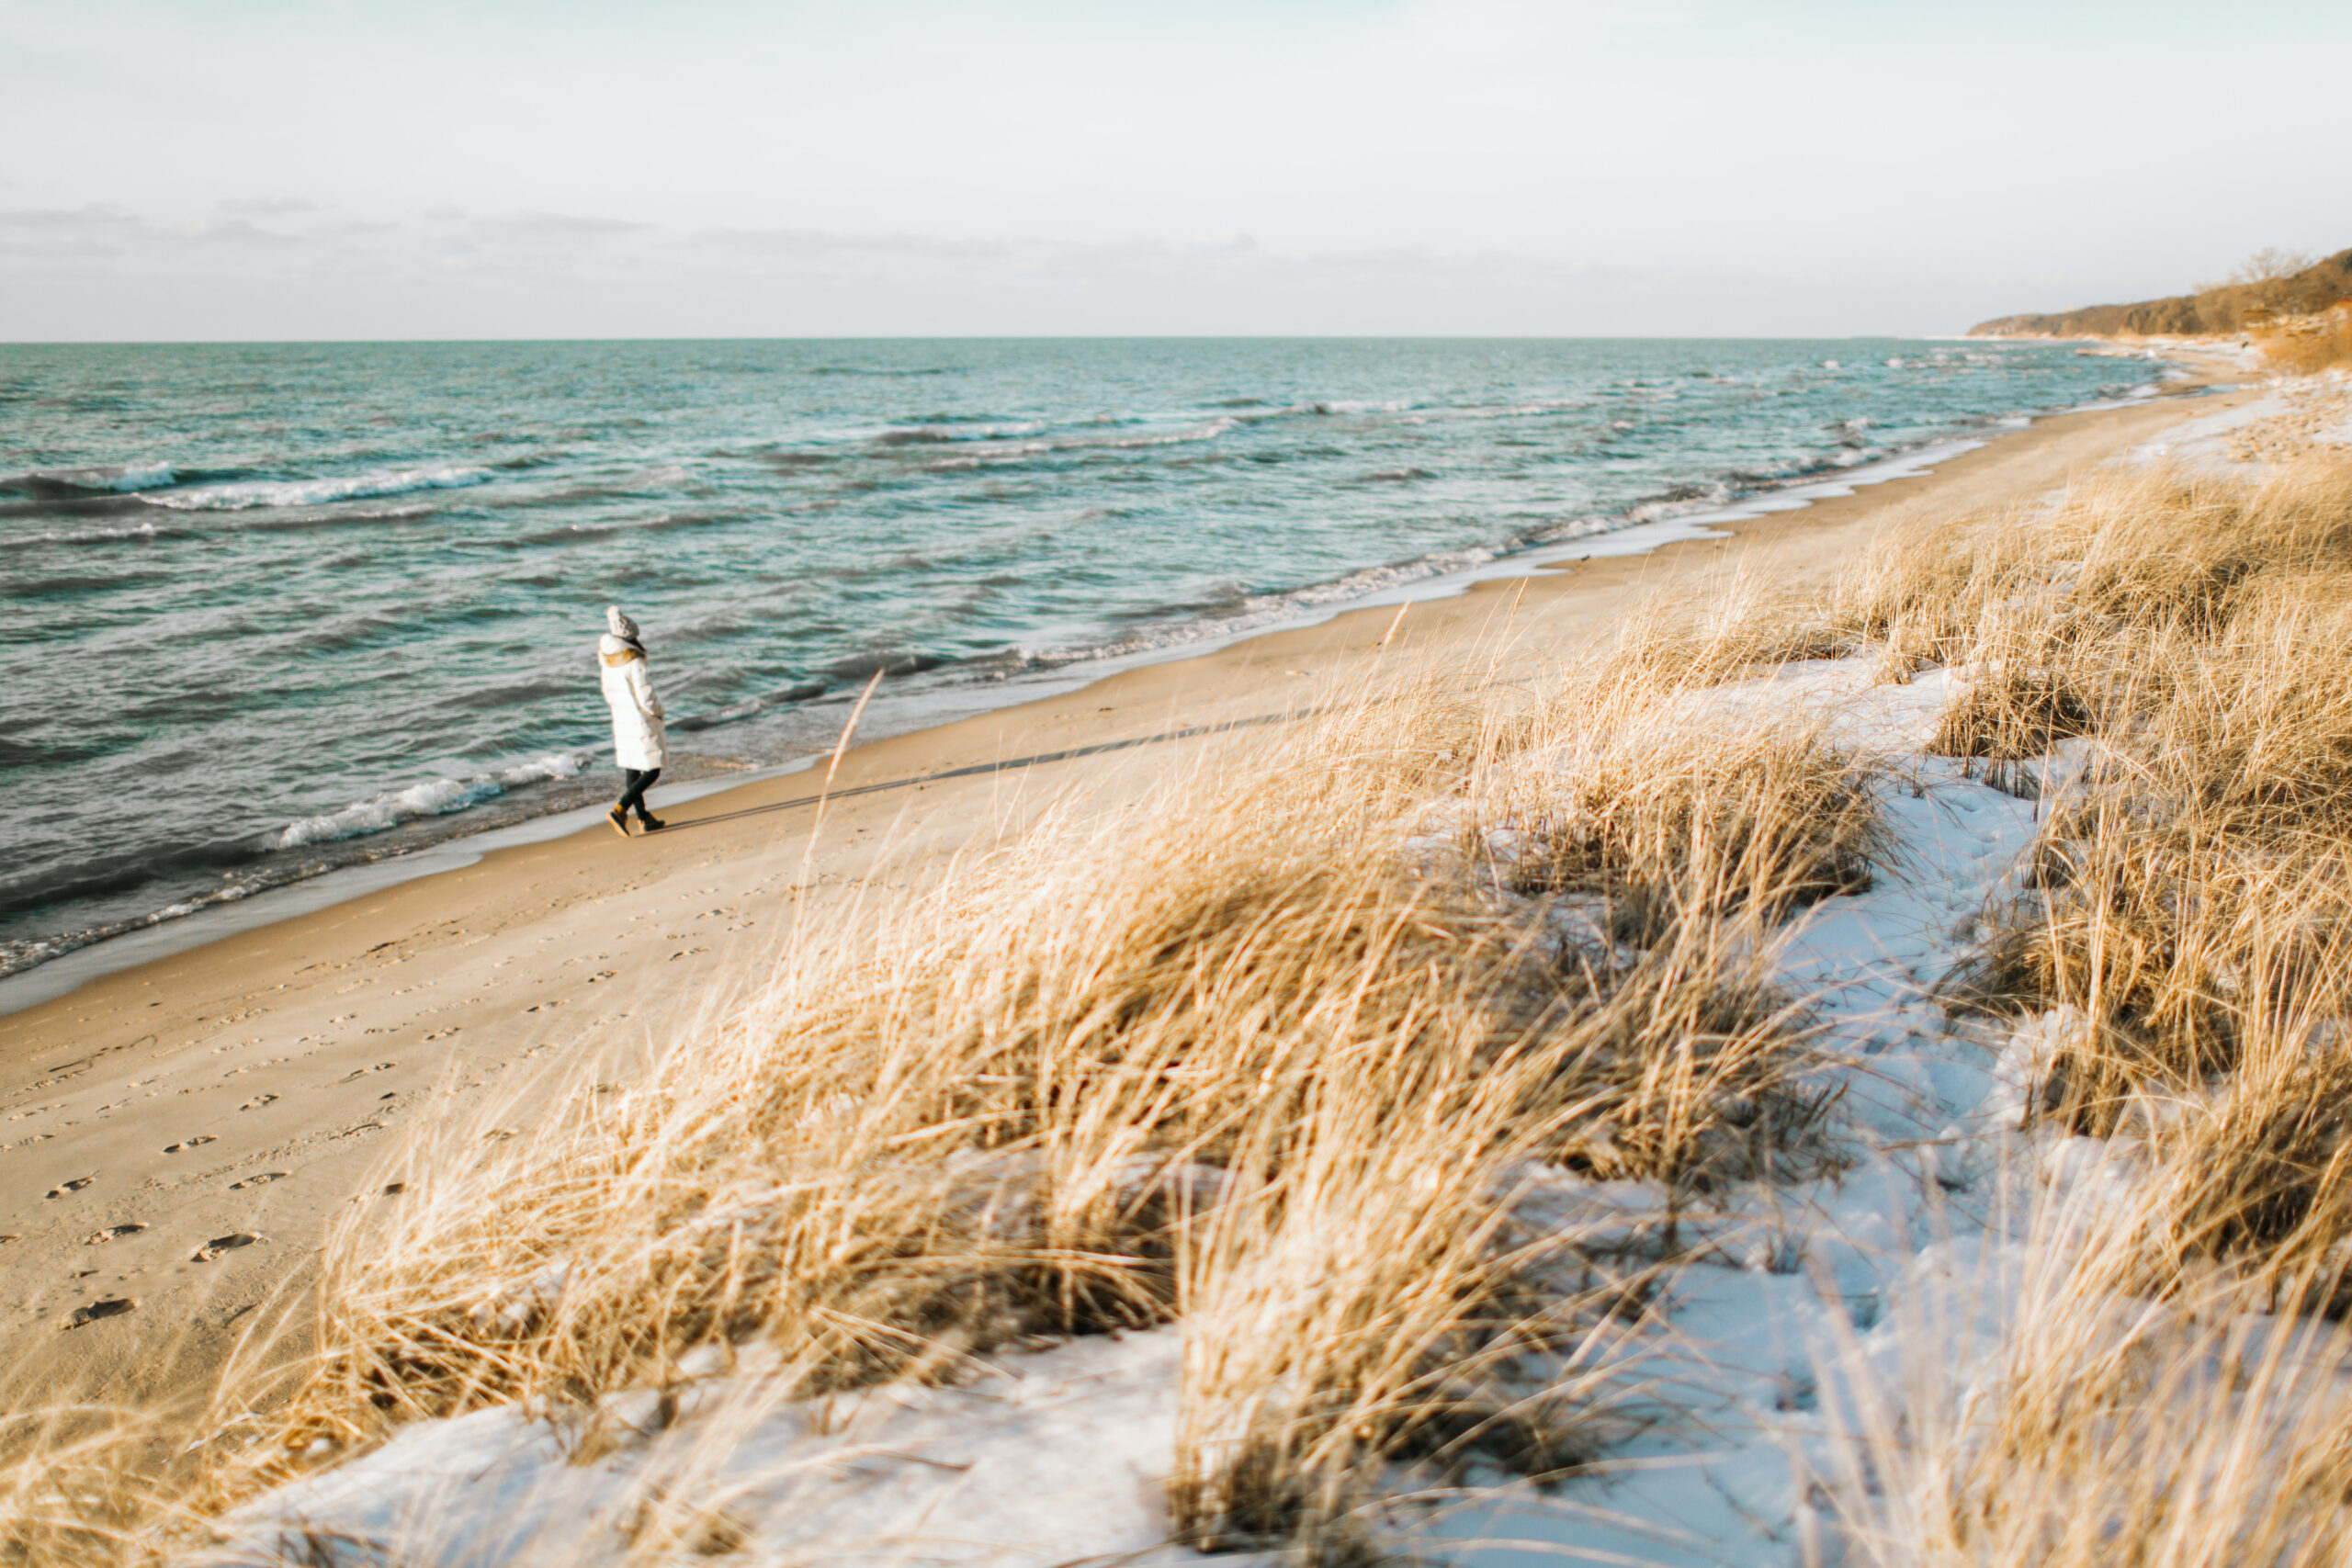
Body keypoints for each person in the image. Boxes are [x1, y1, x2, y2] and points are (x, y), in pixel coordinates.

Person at [598, 604, 667, 836]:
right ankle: (620, 808)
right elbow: (647, 697)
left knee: (633, 768)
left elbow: (607, 692)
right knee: (653, 769)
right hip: (640, 719)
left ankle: (644, 817)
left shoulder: (608, 660)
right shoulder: (634, 662)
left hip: (621, 717)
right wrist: (658, 712)